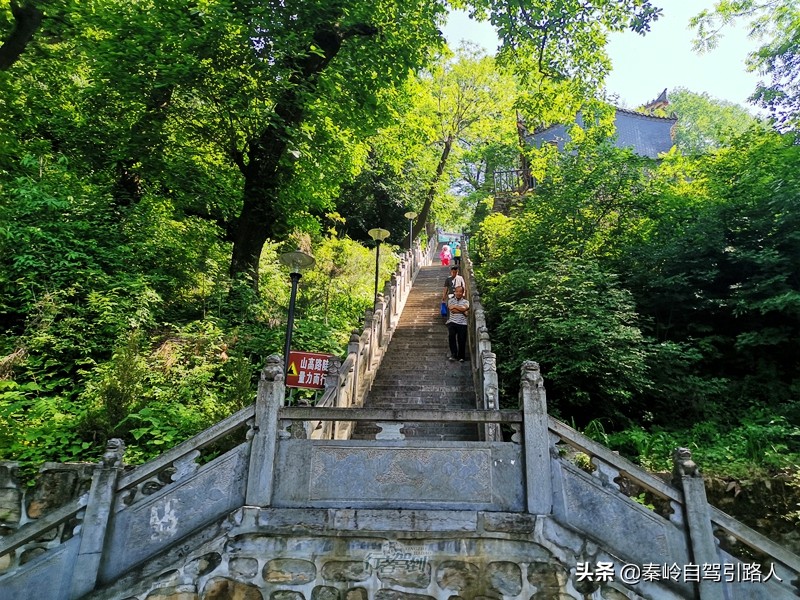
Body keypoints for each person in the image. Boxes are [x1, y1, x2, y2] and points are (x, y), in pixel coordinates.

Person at [446, 285, 469, 362]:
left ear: (463, 293)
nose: (458, 293)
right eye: (457, 291)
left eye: (460, 292)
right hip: (452, 322)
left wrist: (456, 307)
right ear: (455, 292)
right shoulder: (450, 300)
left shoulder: (466, 301)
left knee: (462, 340)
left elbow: (465, 308)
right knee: (451, 337)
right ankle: (453, 354)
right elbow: (452, 310)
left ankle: (461, 356)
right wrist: (463, 311)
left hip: (463, 323)